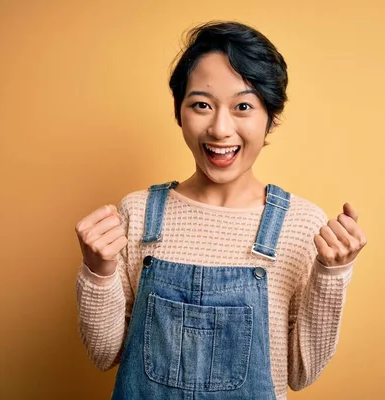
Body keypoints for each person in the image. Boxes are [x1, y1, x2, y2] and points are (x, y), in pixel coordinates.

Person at [74, 20, 367, 400]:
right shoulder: (137, 212)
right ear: (179, 112)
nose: (220, 129)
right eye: (201, 105)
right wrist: (97, 272)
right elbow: (103, 355)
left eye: (243, 106)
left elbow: (301, 373)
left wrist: (332, 274)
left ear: (271, 118)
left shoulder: (301, 225)